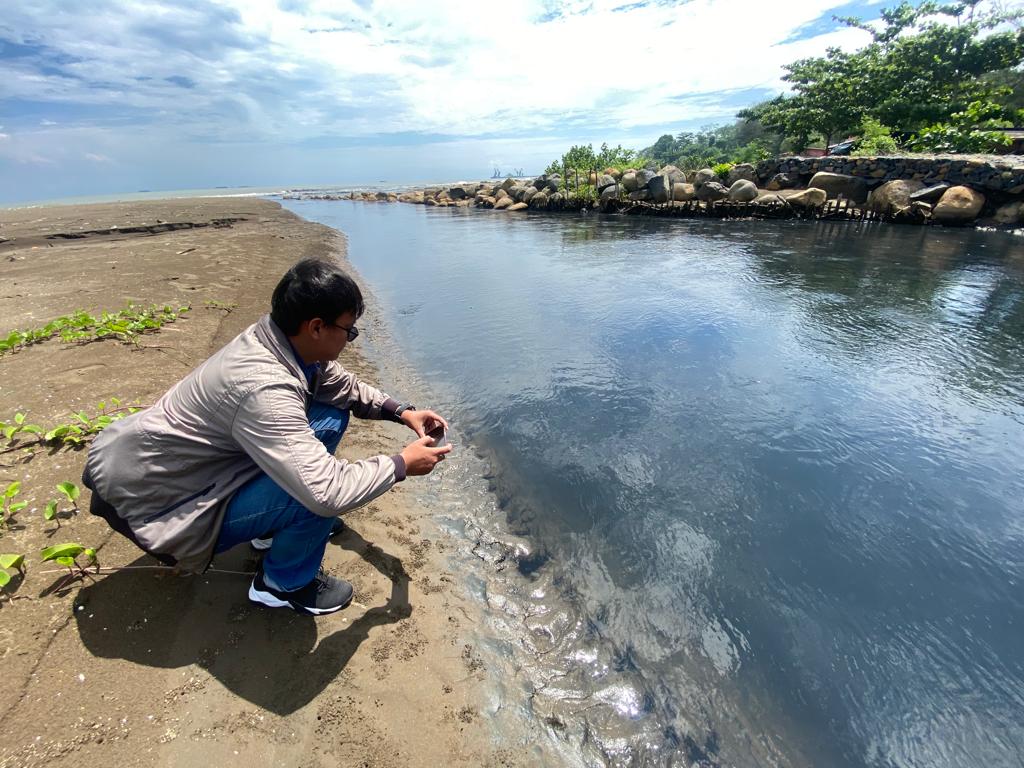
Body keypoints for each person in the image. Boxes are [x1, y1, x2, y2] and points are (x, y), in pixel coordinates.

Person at [82, 257, 451, 615]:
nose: (351, 340)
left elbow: (341, 385)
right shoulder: (265, 388)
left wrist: (402, 412)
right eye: (349, 331)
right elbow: (326, 492)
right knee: (314, 497)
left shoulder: (275, 339)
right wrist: (402, 464)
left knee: (330, 414)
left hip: (161, 474)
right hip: (156, 507)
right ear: (317, 327)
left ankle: (271, 530)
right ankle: (282, 586)